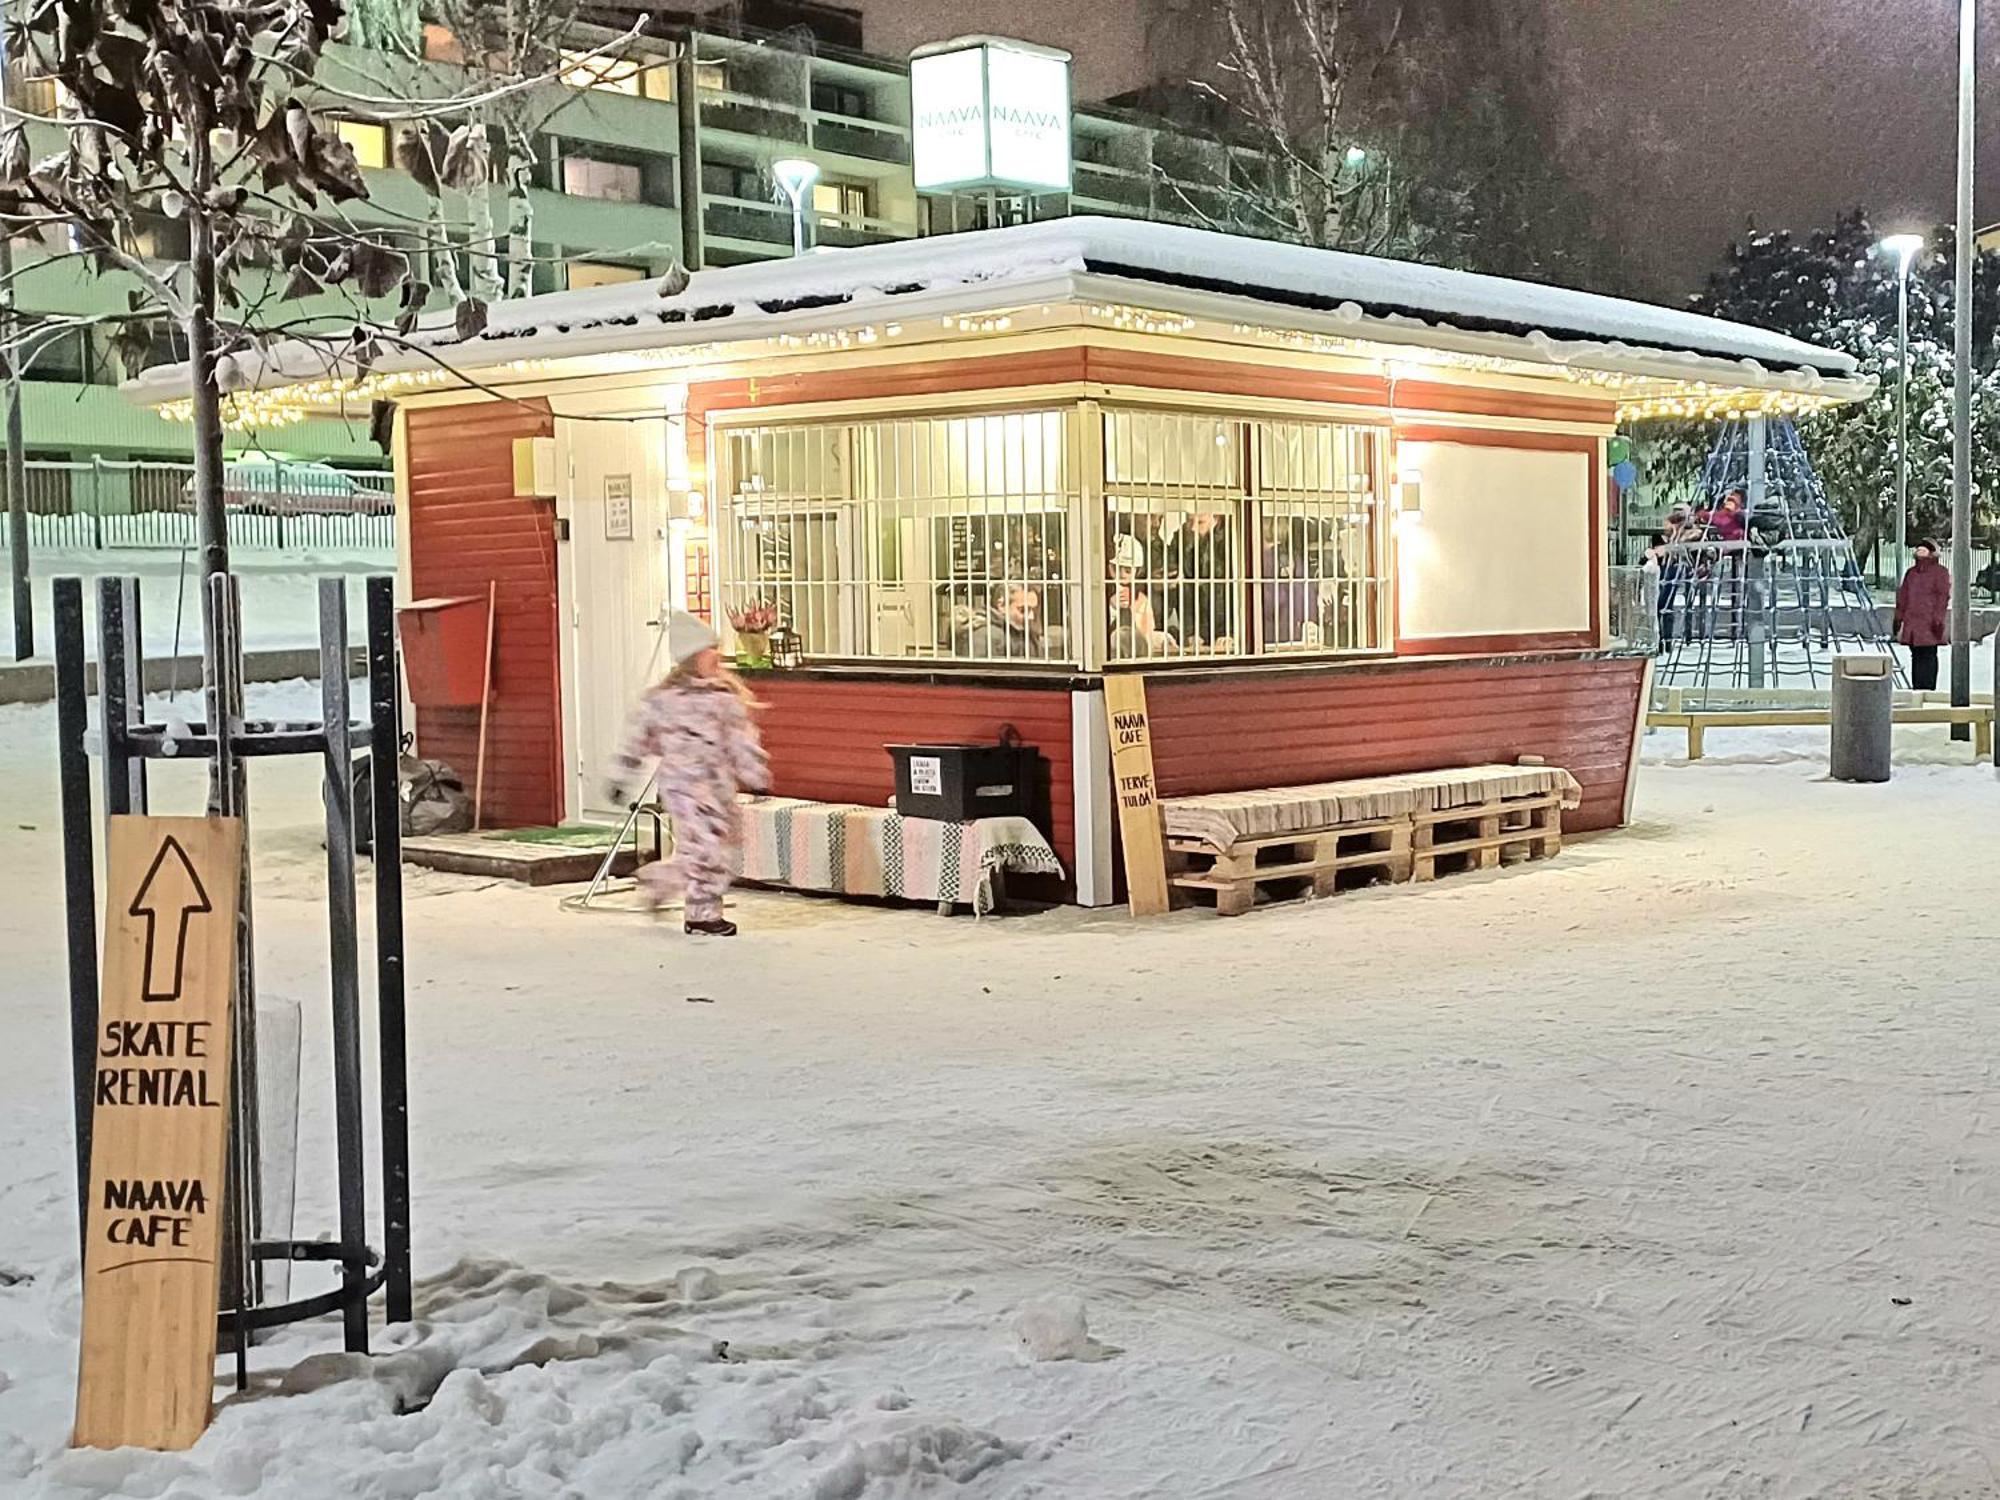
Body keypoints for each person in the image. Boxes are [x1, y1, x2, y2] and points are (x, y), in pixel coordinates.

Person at [607, 611, 769, 937]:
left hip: (719, 787)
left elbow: (741, 740)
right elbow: (638, 737)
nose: (718, 655)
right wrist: (622, 774)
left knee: (721, 851)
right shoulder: (663, 701)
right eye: (711, 649)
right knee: (704, 850)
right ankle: (699, 913)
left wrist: (754, 772)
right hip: (684, 787)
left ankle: (671, 890)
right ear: (693, 657)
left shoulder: (724, 698)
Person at [1894, 539, 1951, 692]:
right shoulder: (1911, 573)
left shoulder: (1940, 572)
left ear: (1932, 553)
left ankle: (1928, 688)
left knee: (1929, 656)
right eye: (1918, 550)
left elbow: (1942, 597)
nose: (1920, 553)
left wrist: (1938, 620)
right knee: (1916, 656)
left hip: (1929, 622)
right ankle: (1917, 688)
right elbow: (1903, 597)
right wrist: (1898, 617)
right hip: (1912, 622)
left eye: (1923, 550)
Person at [959, 583, 1046, 660]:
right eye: (1023, 610)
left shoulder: (1026, 634)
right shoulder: (985, 636)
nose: (1031, 616)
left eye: (1034, 611)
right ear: (1002, 605)